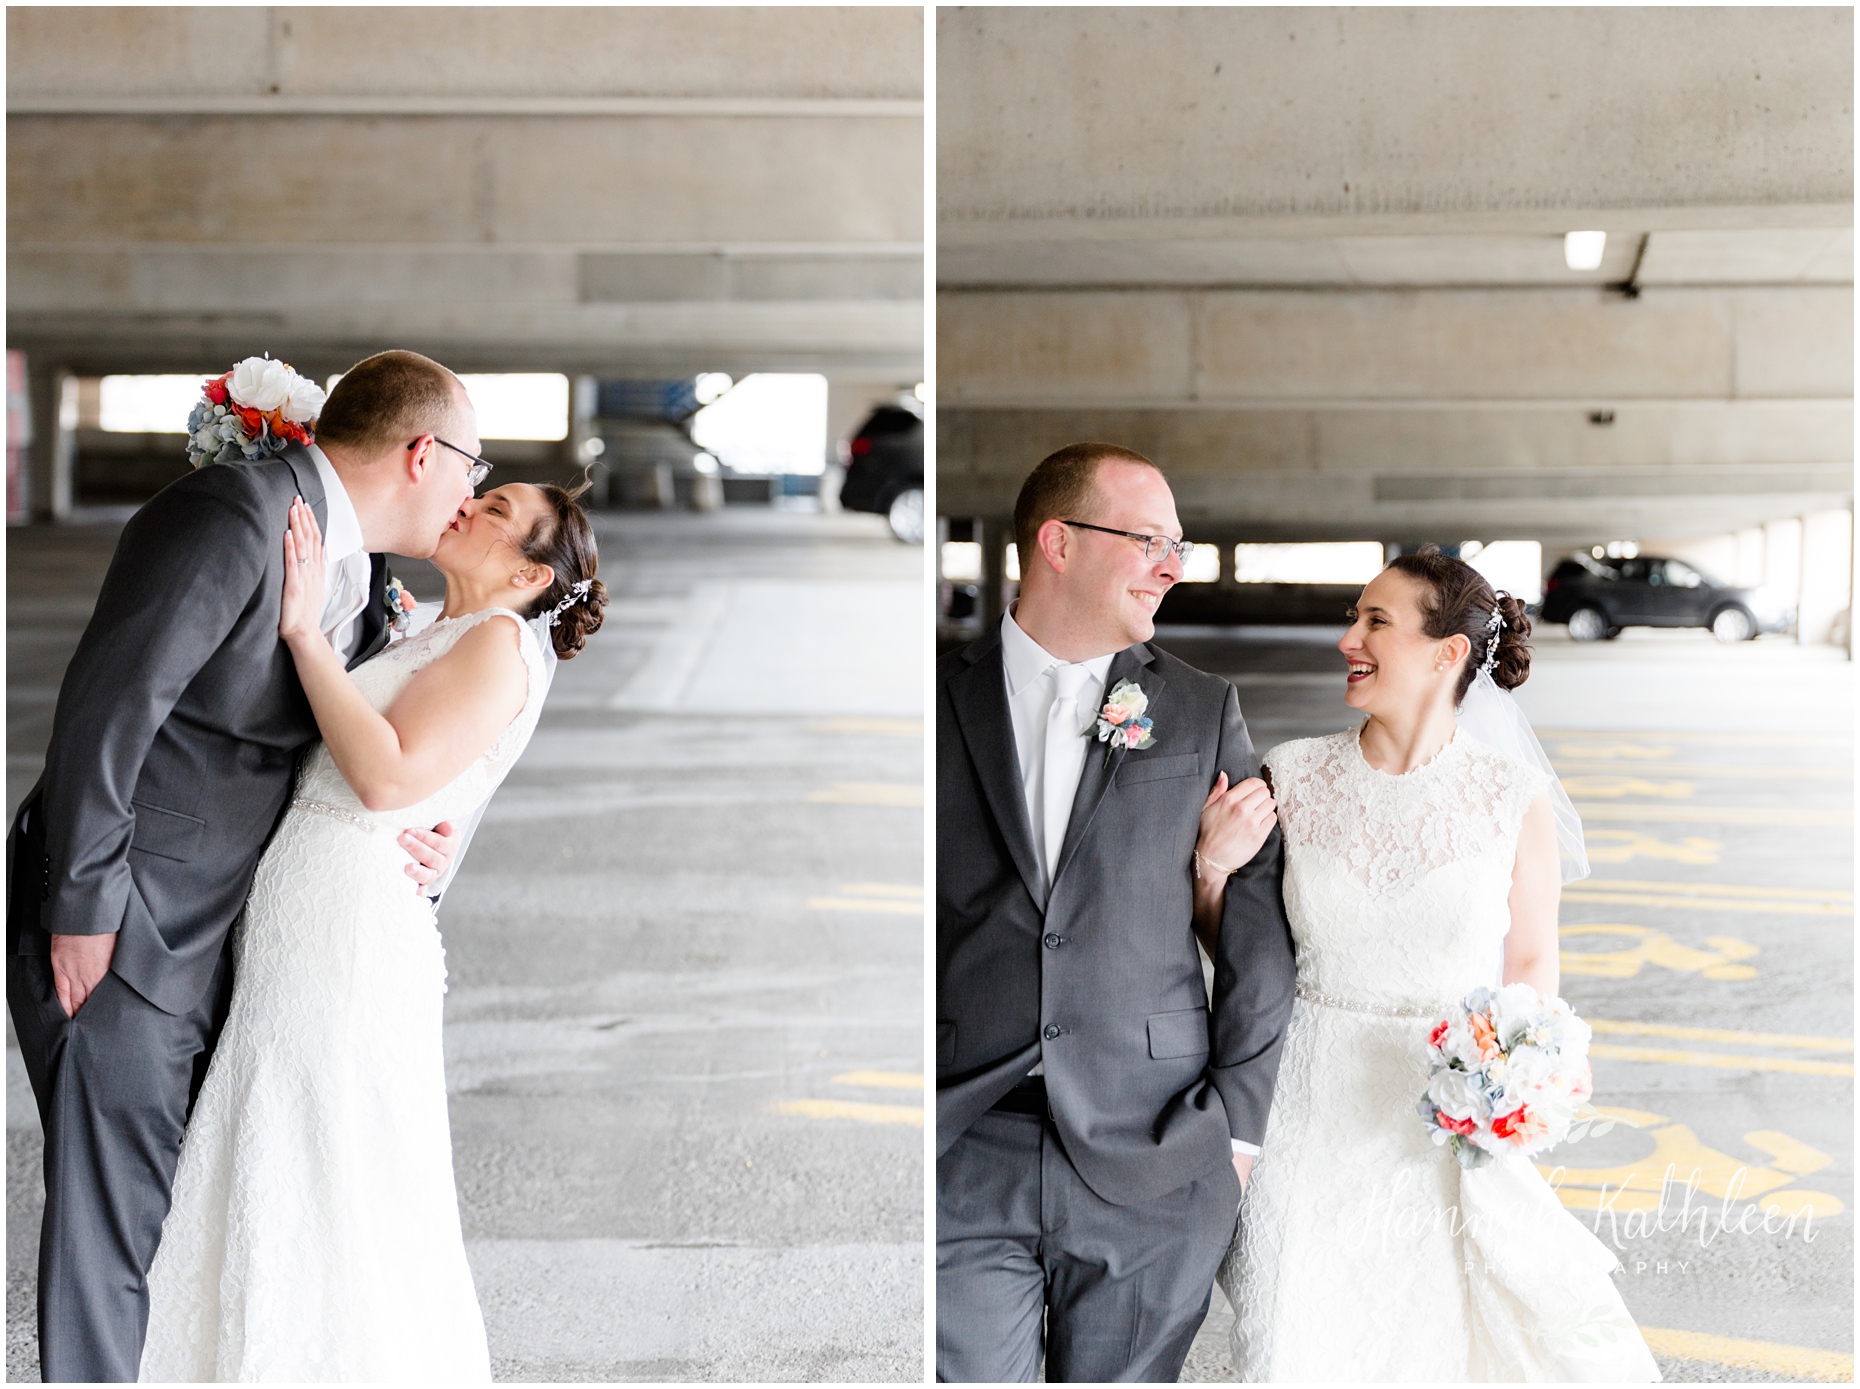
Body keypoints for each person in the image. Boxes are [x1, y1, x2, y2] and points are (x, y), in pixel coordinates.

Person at [5, 350, 481, 1383]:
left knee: (186, 1235)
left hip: (235, 945)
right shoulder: (232, 514)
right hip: (131, 929)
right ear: (419, 451)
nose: (472, 492)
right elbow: (107, 709)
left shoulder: (362, 570)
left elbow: (324, 748)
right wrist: (80, 911)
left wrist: (410, 830)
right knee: (113, 1235)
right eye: (471, 466)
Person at [136, 468, 604, 1381]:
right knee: (283, 1133)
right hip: (309, 907)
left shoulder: (498, 645)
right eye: (484, 491)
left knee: (326, 1153)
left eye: (498, 512)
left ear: (530, 575)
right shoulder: (440, 625)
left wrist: (305, 633)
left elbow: (387, 778)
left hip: (345, 926)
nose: (470, 504)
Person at [1205, 546, 1660, 1381]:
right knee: (1288, 1345)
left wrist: (1510, 1082)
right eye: (1354, 616)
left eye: (1376, 619)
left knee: (1436, 1344)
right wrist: (1210, 871)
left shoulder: (1511, 795)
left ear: (1449, 652)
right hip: (1304, 1108)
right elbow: (1243, 948)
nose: (1349, 637)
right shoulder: (1293, 773)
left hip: (1437, 1120)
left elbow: (1530, 957)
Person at [935, 442, 1294, 1382]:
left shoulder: (1202, 710)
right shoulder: (933, 700)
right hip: (963, 1145)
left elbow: (1262, 939)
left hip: (1154, 1152)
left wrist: (1236, 1137)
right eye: (1148, 540)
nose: (1172, 566)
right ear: (1057, 541)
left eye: (1176, 544)